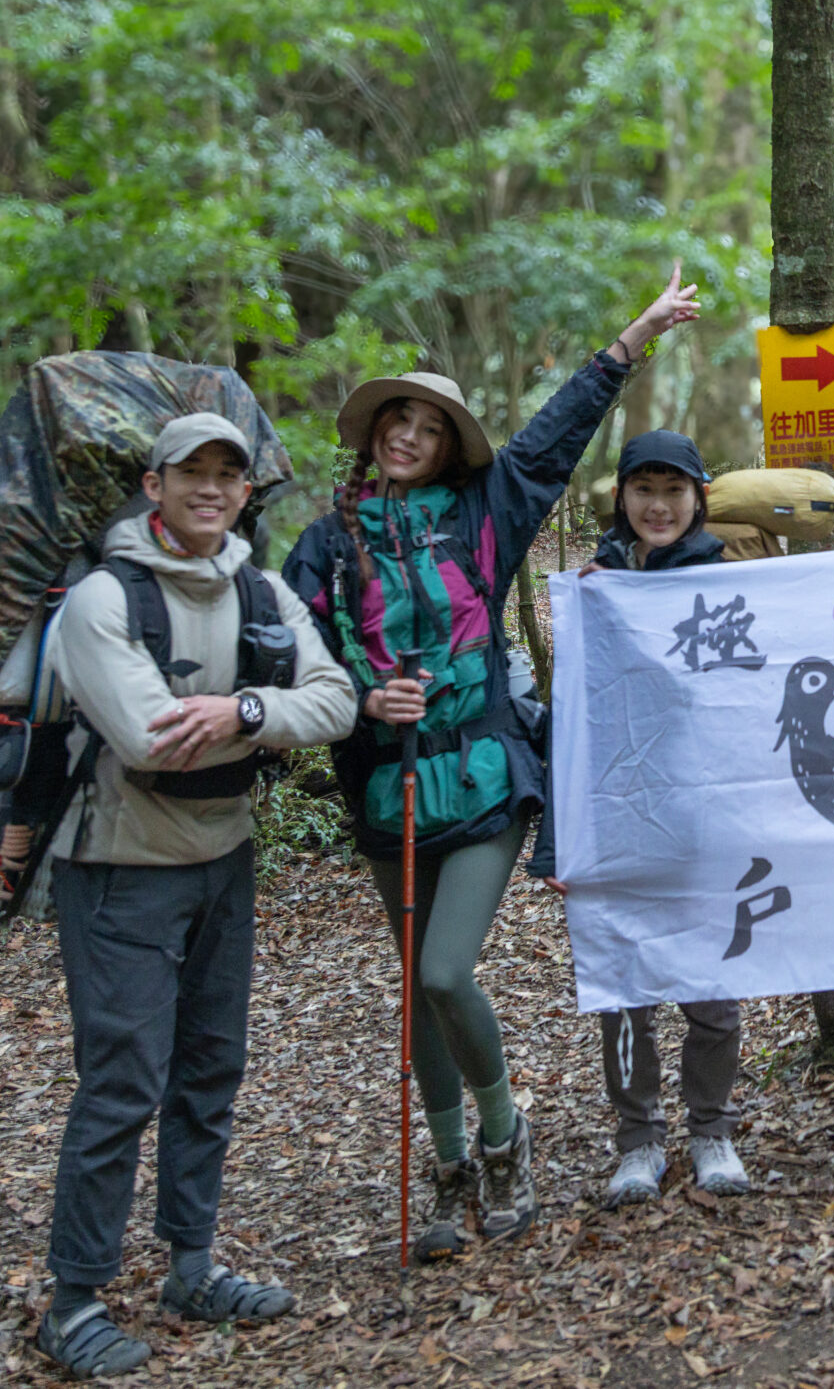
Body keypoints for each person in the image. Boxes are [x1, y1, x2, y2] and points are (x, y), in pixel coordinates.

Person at [281, 268, 700, 1259]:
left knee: (442, 968)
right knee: (415, 987)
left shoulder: (487, 509)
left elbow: (557, 432)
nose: (407, 434)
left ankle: (505, 1137)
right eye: (396, 418)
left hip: (482, 777)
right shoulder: (328, 542)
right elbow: (291, 645)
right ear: (374, 432)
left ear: (449, 443)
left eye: (427, 424)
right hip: (386, 781)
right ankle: (449, 1159)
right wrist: (358, 693)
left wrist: (634, 335)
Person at [36, 414, 360, 1380]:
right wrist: (266, 719)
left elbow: (336, 701)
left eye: (230, 473)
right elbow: (145, 737)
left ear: (245, 490)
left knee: (212, 1065)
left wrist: (242, 709)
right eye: (193, 473)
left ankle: (192, 1263)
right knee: (125, 1077)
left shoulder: (260, 588)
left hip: (225, 856)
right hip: (118, 865)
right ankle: (74, 1297)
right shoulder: (103, 599)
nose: (212, 488)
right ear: (154, 484)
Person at [543, 429, 751, 1209]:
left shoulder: (724, 583)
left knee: (710, 981)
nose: (657, 505)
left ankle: (710, 1127)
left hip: (702, 808)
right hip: (618, 812)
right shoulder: (595, 585)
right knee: (625, 980)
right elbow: (573, 718)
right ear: (621, 498)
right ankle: (638, 1139)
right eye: (642, 490)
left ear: (698, 498)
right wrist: (562, 838)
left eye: (673, 491)